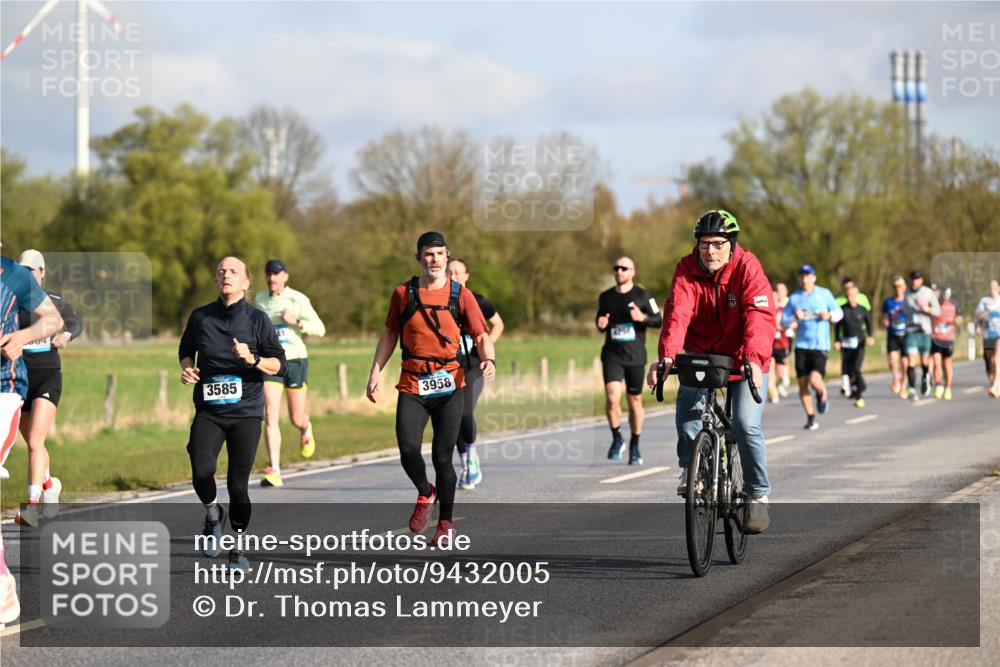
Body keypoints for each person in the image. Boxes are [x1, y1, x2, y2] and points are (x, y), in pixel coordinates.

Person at [647, 210, 774, 533]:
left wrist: (754, 359)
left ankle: (758, 494)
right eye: (704, 244)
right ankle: (692, 471)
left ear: (731, 244)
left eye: (718, 243)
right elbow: (677, 314)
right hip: (702, 353)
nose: (711, 251)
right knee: (688, 404)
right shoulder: (687, 269)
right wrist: (667, 357)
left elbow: (758, 315)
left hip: (744, 356)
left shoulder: (748, 268)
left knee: (745, 424)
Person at [367, 232, 495, 547]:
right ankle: (426, 492)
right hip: (413, 382)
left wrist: (488, 359)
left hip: (450, 384)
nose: (434, 259)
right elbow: (389, 334)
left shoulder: (461, 295)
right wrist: (375, 371)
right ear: (419, 258)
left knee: (442, 458)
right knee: (408, 448)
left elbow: (481, 335)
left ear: (447, 256)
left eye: (439, 253)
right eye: (428, 253)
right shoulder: (403, 294)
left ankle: (445, 525)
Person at [179, 256, 286, 571]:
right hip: (210, 411)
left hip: (246, 413)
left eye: (233, 271)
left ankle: (237, 550)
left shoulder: (257, 319)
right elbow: (185, 350)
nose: (226, 275)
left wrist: (253, 359)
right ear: (216, 281)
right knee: (201, 470)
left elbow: (280, 364)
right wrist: (188, 369)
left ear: (246, 282)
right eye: (221, 271)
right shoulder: (201, 317)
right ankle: (213, 515)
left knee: (238, 486)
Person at [1, 251, 64, 628]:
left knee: (35, 441)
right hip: (18, 381)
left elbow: (57, 321)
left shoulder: (16, 277)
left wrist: (22, 338)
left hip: (12, 386)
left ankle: (2, 583)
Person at [14, 250, 83, 527]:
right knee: (34, 442)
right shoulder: (10, 300)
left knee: (34, 441)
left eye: (32, 270)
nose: (27, 275)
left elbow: (76, 323)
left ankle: (32, 508)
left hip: (47, 376)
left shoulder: (53, 300)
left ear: (42, 272)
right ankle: (49, 484)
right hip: (18, 378)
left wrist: (66, 335)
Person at [254, 258, 326, 488]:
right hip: (271, 362)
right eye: (269, 274)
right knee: (270, 414)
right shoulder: (260, 299)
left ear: (285, 277)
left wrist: (296, 321)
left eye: (276, 274)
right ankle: (274, 470)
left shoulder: (298, 299)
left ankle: (305, 427)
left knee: (296, 418)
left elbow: (320, 329)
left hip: (295, 360)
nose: (272, 278)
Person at [596, 257, 662, 465]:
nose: (619, 271)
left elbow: (658, 320)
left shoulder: (643, 295)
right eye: (616, 268)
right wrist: (601, 324)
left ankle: (635, 444)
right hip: (612, 355)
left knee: (634, 401)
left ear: (632, 272)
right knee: (612, 398)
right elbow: (600, 320)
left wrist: (642, 318)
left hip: (635, 356)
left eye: (624, 268)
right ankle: (617, 438)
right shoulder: (605, 297)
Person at [447, 257, 504, 490]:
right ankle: (466, 463)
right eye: (450, 272)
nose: (454, 276)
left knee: (465, 410)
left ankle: (471, 454)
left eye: (458, 272)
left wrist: (485, 346)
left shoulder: (478, 301)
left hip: (473, 364)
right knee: (452, 416)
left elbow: (498, 324)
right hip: (448, 366)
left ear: (466, 276)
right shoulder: (440, 301)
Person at [781, 264, 843, 430]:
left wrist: (828, 315)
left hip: (819, 345)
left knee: (815, 381)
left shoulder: (824, 294)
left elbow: (839, 313)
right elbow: (783, 321)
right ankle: (811, 417)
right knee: (802, 384)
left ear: (814, 278)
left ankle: (822, 393)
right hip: (801, 346)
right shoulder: (795, 298)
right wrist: (794, 317)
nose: (805, 279)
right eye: (802, 276)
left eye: (808, 276)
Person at [834, 281, 875, 408]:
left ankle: (860, 389)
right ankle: (855, 389)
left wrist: (870, 336)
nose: (850, 297)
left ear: (857, 295)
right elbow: (837, 327)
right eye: (848, 295)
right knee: (847, 368)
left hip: (859, 342)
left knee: (856, 367)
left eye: (852, 295)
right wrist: (837, 340)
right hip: (846, 342)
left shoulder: (862, 309)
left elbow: (869, 324)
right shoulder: (842, 309)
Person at [903, 270, 941, 401]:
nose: (914, 282)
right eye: (913, 279)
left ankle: (925, 376)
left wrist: (926, 309)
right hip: (911, 331)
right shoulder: (907, 293)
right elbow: (904, 309)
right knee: (911, 360)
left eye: (917, 279)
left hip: (925, 331)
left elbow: (937, 311)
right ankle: (912, 389)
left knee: (925, 361)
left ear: (921, 280)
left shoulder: (928, 292)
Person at [881, 275, 909, 397]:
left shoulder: (908, 301)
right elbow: (884, 315)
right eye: (895, 286)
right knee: (892, 361)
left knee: (905, 363)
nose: (897, 289)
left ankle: (904, 386)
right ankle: (896, 378)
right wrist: (885, 320)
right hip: (892, 334)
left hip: (906, 335)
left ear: (904, 287)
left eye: (900, 286)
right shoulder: (888, 302)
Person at [930, 285, 960, 400]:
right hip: (936, 338)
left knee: (947, 364)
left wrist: (955, 321)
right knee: (937, 364)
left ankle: (948, 388)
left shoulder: (954, 305)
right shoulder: (935, 304)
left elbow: (959, 318)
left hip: (948, 340)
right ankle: (939, 385)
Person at [768, 282, 793, 403]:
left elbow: (788, 322)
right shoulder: (769, 307)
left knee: (780, 370)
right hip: (770, 343)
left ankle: (783, 383)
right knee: (770, 369)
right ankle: (773, 393)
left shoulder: (786, 306)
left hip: (783, 342)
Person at [976, 279, 1000, 397]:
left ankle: (996, 384)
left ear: (999, 288)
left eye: (994, 287)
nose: (992, 290)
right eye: (990, 287)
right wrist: (985, 311)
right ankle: (993, 381)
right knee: (989, 361)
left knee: (996, 359)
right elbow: (978, 317)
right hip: (988, 334)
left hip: (999, 334)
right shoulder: (984, 301)